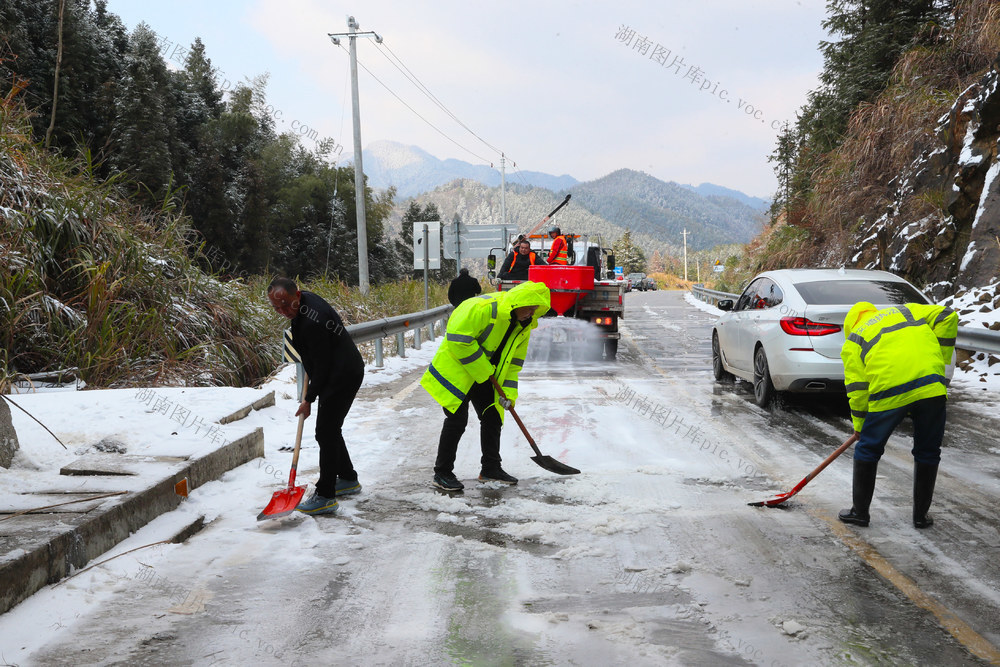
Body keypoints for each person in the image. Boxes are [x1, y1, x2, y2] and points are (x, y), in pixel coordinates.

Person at [421, 281, 551, 490]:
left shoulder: (523, 327)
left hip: (485, 375)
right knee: (457, 420)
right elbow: (458, 340)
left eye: (537, 309)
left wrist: (508, 394)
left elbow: (514, 364)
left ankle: (490, 468)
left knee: (493, 416)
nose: (532, 313)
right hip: (459, 370)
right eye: (531, 307)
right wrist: (484, 370)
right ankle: (442, 473)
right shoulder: (482, 308)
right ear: (520, 302)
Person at [838, 300, 958, 529]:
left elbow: (858, 390)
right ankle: (920, 517)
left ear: (851, 324)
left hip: (889, 393)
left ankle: (860, 513)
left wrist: (860, 425)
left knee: (868, 449)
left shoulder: (853, 340)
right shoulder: (906, 310)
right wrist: (939, 365)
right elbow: (948, 316)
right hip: (931, 386)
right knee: (928, 451)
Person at [267, 277, 365, 516]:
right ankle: (348, 478)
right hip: (338, 368)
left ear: (297, 296)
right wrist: (311, 397)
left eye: (287, 305)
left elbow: (321, 366)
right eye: (277, 308)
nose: (283, 311)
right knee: (330, 429)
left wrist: (309, 399)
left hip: (341, 374)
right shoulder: (305, 301)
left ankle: (325, 495)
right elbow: (316, 362)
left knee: (326, 432)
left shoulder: (314, 323)